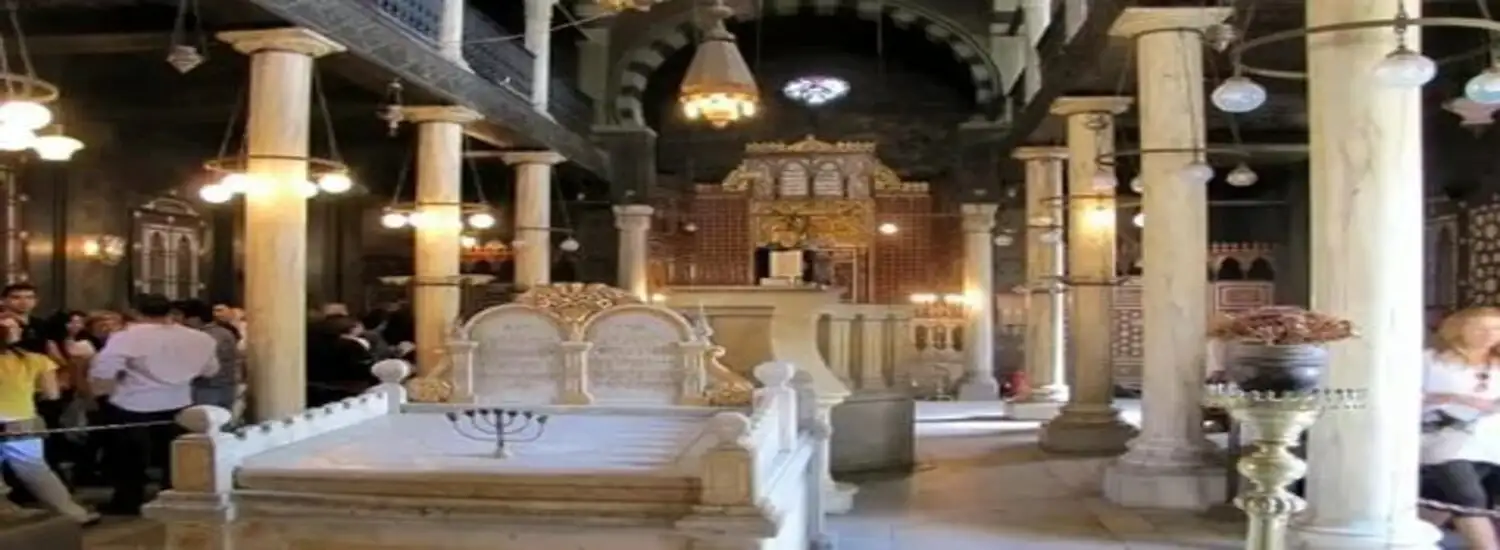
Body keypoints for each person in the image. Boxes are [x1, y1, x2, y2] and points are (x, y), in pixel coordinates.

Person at [91, 294, 218, 515]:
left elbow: (104, 370)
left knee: (130, 458)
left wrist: (104, 388)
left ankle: (128, 500)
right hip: (179, 401)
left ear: (135, 312)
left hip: (134, 403)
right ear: (170, 311)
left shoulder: (126, 337)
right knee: (173, 455)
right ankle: (174, 494)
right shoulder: (200, 338)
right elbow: (210, 370)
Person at [0, 313, 96, 523]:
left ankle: (4, 508)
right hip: (21, 420)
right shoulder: (36, 360)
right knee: (35, 470)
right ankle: (72, 512)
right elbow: (52, 394)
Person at [1419, 307, 1500, 550]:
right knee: (1468, 497)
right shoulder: (1430, 360)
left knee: (1443, 500)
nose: (1489, 334)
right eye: (1480, 328)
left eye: (1496, 329)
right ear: (1459, 329)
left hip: (1490, 443)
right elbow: (1403, 394)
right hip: (1443, 438)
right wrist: (1453, 398)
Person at [173, 300, 241, 411]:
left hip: (208, 388)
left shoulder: (205, 336)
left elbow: (198, 363)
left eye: (181, 317)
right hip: (224, 387)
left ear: (195, 319)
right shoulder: (223, 332)